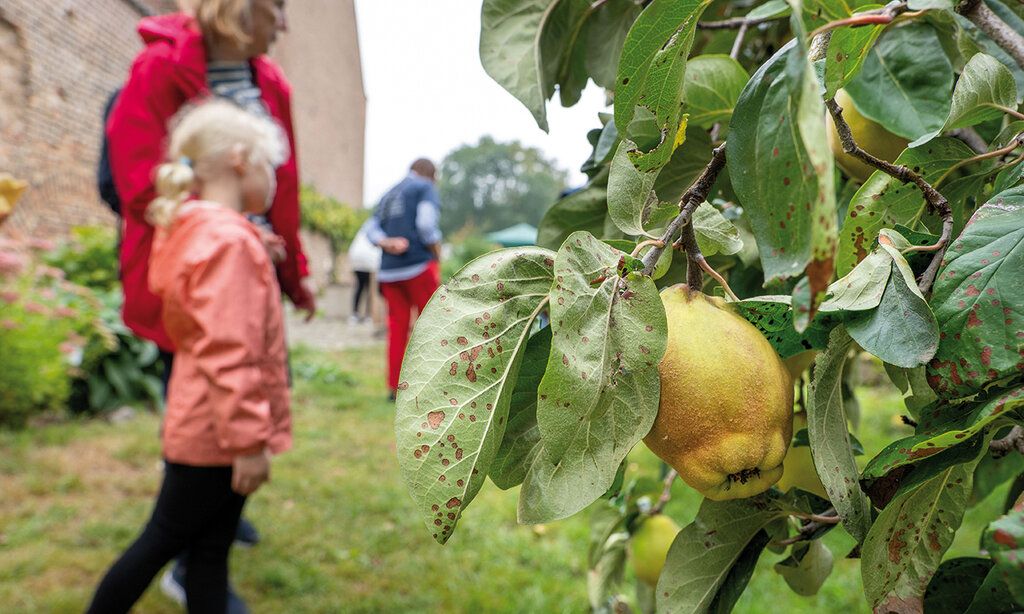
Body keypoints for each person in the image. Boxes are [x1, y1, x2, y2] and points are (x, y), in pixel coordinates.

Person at [105, 0, 310, 606]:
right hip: (217, 429)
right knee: (169, 532)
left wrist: (276, 258)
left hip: (220, 407)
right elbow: (228, 348)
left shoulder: (223, 239)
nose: (284, 22)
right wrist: (250, 441)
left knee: (209, 539)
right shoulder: (221, 246)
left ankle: (203, 568)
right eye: (277, 6)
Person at [359, 159, 442, 400]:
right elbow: (426, 225)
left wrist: (386, 243)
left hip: (389, 271)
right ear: (431, 174)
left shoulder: (388, 194)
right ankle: (433, 385)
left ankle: (395, 388)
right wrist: (436, 250)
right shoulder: (424, 188)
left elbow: (370, 229)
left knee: (397, 328)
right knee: (432, 325)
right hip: (417, 266)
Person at [347, 227, 381, 324]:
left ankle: (355, 314)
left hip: (358, 263)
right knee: (368, 291)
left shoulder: (361, 234)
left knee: (360, 288)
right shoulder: (373, 232)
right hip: (369, 264)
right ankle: (367, 315)